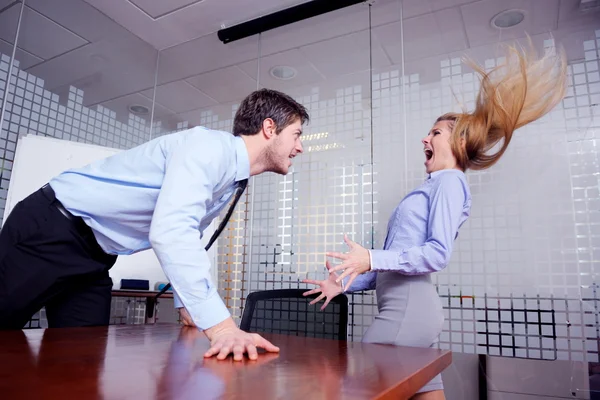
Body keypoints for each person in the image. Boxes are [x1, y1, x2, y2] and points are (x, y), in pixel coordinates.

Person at [302, 42, 568, 399]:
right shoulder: (437, 185)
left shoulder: (450, 182)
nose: (425, 138)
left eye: (436, 133)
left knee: (357, 389)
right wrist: (346, 284)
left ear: (459, 141)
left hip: (407, 312)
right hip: (410, 310)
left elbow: (437, 254)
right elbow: (395, 264)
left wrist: (371, 257)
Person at [0, 88, 309, 362]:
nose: (300, 147)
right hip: (49, 230)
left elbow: (190, 236)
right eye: (296, 134)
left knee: (80, 358)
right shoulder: (210, 148)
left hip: (93, 257)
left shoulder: (231, 177)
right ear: (270, 128)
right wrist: (223, 328)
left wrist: (187, 302)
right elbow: (171, 231)